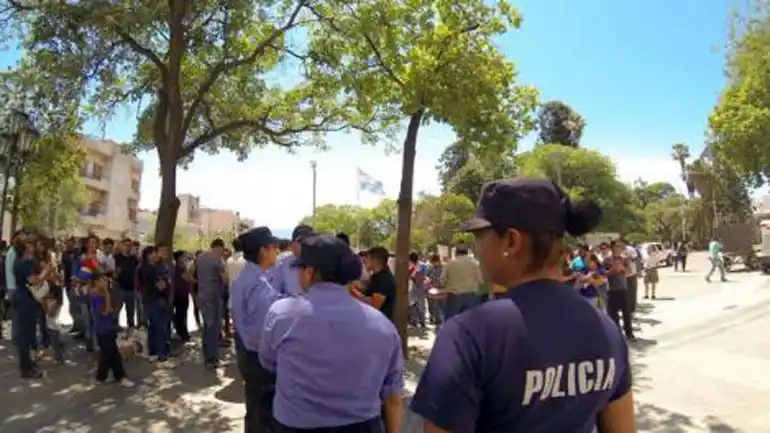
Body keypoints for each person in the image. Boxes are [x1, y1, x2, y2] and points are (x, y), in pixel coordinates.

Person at [409, 178, 636, 433]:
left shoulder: (468, 334)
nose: (476, 248)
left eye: (481, 236)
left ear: (511, 242)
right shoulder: (606, 330)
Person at [260, 234, 404, 432]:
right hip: (362, 426)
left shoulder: (282, 314)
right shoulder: (383, 326)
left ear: (309, 273)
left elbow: (268, 361)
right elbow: (393, 397)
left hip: (296, 424)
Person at [230, 227, 282, 433]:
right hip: (257, 356)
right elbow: (263, 329)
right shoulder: (257, 285)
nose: (276, 251)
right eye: (273, 247)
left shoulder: (248, 278)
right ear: (263, 251)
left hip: (247, 350)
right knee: (263, 412)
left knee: (254, 408)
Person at [90, 269, 134, 388]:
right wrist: (107, 295)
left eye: (106, 280)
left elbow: (112, 310)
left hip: (110, 327)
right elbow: (105, 312)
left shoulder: (106, 293)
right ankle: (113, 376)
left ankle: (108, 376)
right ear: (96, 282)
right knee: (109, 354)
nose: (105, 283)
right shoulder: (95, 296)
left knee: (110, 354)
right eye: (102, 280)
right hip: (102, 329)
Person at [12, 239, 45, 379]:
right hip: (25, 299)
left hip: (24, 298)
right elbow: (33, 280)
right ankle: (26, 369)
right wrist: (46, 272)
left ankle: (29, 364)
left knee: (29, 332)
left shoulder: (20, 261)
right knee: (25, 335)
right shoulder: (24, 263)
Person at [195, 238, 229, 368]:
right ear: (219, 247)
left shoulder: (200, 257)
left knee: (206, 326)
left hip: (202, 295)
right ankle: (211, 358)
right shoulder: (217, 259)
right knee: (213, 328)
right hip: (213, 297)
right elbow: (225, 279)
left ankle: (206, 354)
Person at [138, 246, 172, 365]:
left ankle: (153, 351)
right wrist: (165, 287)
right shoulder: (151, 269)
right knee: (159, 325)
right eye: (153, 254)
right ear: (148, 255)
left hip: (148, 299)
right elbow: (160, 285)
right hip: (156, 299)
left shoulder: (142, 267)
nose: (155, 256)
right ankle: (161, 352)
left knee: (153, 326)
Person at [350, 246, 396, 323]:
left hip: (380, 323)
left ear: (375, 261)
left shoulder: (384, 278)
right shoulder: (376, 276)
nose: (364, 261)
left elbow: (375, 304)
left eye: (367, 258)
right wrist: (358, 286)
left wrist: (353, 291)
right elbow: (371, 291)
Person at [267, 224, 314, 296]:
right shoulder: (281, 263)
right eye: (301, 241)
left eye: (310, 240)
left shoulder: (319, 262)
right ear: (293, 244)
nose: (307, 244)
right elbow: (272, 294)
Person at [439, 244, 482, 320]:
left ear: (456, 253)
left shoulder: (450, 264)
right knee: (469, 321)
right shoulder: (475, 263)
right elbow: (480, 279)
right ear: (467, 252)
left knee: (451, 320)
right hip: (471, 295)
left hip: (454, 295)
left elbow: (442, 280)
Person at [606, 241, 635, 340]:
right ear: (612, 248)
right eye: (616, 246)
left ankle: (629, 334)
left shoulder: (624, 259)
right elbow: (603, 273)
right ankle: (617, 334)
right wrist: (612, 271)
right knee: (613, 314)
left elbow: (629, 273)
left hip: (623, 289)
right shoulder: (607, 260)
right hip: (612, 289)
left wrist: (623, 269)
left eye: (620, 246)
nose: (618, 248)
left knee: (626, 313)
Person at [114, 238, 139, 329]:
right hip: (120, 287)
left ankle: (131, 327)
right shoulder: (117, 257)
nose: (128, 247)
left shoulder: (134, 259)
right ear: (122, 246)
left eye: (130, 245)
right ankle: (115, 326)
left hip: (132, 288)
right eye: (126, 245)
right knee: (117, 308)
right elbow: (114, 273)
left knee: (131, 310)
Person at [172, 250, 193, 343]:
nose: (186, 258)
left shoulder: (183, 268)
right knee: (181, 314)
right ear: (179, 258)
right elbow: (189, 278)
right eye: (184, 256)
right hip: (180, 295)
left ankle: (183, 332)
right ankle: (182, 333)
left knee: (182, 314)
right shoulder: (179, 268)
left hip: (183, 294)